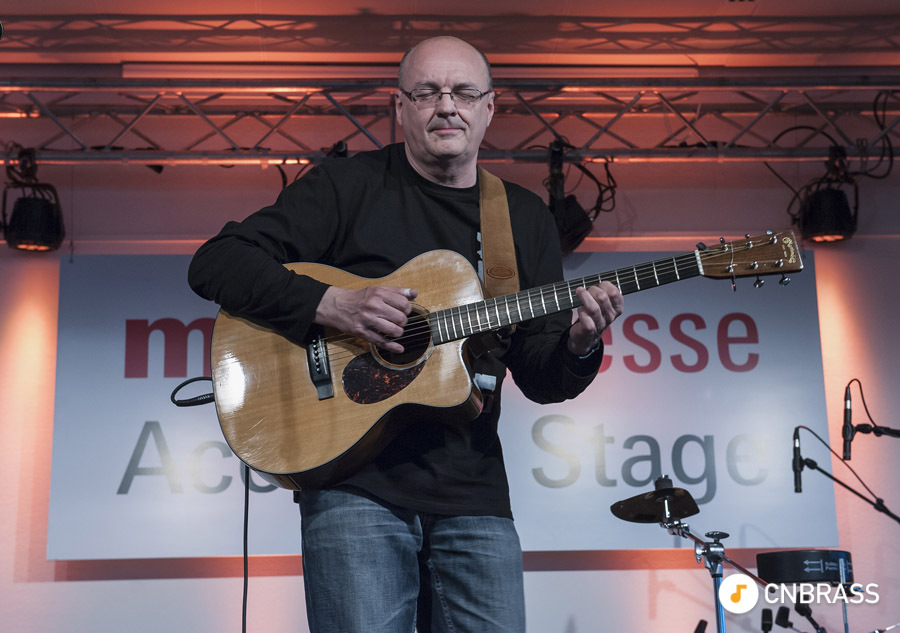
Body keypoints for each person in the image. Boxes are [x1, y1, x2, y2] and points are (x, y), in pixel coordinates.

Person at [188, 35, 624, 633]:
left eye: (463, 92)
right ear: (400, 107)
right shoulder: (346, 186)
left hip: (474, 494)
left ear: (489, 108)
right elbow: (217, 262)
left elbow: (541, 377)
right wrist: (332, 304)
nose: (447, 106)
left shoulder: (523, 218)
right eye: (427, 92)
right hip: (352, 487)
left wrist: (579, 344)